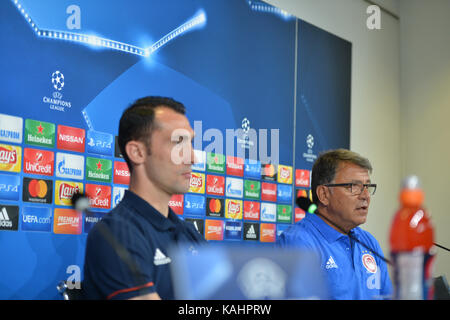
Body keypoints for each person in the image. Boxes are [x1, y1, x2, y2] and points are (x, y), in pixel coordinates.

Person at [83, 96, 206, 300]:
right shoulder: (115, 235)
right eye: (178, 142)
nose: (192, 157)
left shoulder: (189, 233)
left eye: (191, 143)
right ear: (137, 152)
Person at [277, 149, 392, 299]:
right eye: (353, 186)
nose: (365, 196)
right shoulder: (299, 243)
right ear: (324, 195)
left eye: (367, 187)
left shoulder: (369, 242)